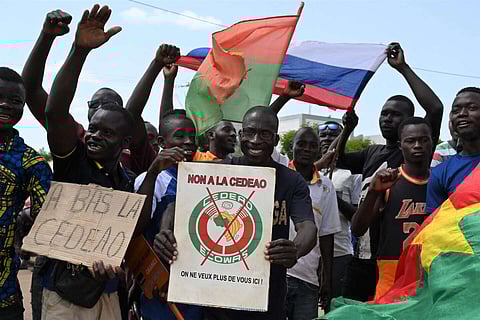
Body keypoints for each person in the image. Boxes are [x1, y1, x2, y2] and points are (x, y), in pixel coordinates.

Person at [39, 5, 158, 319]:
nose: (93, 136)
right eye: (92, 129)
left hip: (106, 296)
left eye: (106, 133)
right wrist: (79, 51)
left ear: (125, 142)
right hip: (64, 295)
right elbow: (54, 111)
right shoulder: (72, 161)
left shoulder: (125, 178)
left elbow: (136, 225)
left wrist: (155, 171)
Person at [155, 106, 317, 320]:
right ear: (241, 136)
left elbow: (308, 227)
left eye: (265, 134)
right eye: (250, 132)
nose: (256, 140)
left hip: (267, 299)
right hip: (216, 302)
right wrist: (165, 231)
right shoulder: (215, 171)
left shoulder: (291, 180)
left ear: (276, 140)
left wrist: (295, 250)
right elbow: (174, 207)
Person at [335, 42, 443, 302]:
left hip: (406, 262)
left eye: (395, 115)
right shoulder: (372, 153)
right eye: (384, 114)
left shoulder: (415, 157)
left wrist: (402, 68)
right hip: (366, 256)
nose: (387, 119)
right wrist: (346, 130)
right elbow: (338, 160)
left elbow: (436, 109)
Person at [21, 9, 157, 176]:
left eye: (108, 105)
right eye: (94, 104)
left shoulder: (128, 179)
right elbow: (39, 97)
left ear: (125, 138)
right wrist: (77, 50)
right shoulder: (73, 149)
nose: (99, 108)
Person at [351, 117, 432, 299]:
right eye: (410, 141)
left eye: (423, 140)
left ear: (431, 142)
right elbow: (357, 228)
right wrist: (372, 193)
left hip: (430, 272)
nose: (417, 145)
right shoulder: (388, 181)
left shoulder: (441, 181)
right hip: (392, 274)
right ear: (400, 145)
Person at [134, 109, 201, 320]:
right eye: (180, 136)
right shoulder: (152, 180)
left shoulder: (207, 179)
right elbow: (136, 232)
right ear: (163, 141)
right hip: (162, 294)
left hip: (197, 289)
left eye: (192, 136)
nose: (189, 141)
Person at [0, 67, 52, 320]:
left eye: (15, 101)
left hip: (4, 289)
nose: (6, 105)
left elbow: (49, 220)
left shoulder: (32, 162)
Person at [286, 127, 341, 318]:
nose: (306, 149)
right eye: (301, 144)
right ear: (291, 147)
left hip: (308, 279)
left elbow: (326, 235)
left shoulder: (326, 186)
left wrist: (326, 278)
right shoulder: (278, 176)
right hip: (276, 274)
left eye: (312, 146)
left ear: (319, 151)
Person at [318, 121, 362, 299]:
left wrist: (332, 198)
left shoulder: (352, 174)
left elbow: (357, 218)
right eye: (323, 135)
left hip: (339, 253)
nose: (327, 139)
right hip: (309, 256)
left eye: (333, 135)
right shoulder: (310, 171)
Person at [427, 87, 480, 214]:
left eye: (472, 108)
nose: (462, 113)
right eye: (456, 110)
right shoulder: (440, 173)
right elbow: (435, 225)